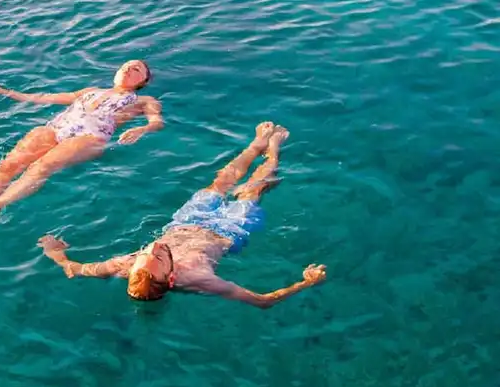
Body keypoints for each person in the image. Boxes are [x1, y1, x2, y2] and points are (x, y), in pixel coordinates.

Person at [38, 122, 327, 307]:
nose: (154, 247)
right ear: (172, 278)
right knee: (252, 190)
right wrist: (309, 281)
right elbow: (263, 301)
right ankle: (273, 150)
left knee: (220, 182)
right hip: (229, 232)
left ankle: (255, 145)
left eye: (146, 253)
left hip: (188, 221)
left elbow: (76, 269)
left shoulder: (125, 265)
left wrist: (55, 252)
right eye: (160, 256)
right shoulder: (201, 279)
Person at [0, 60, 162, 243]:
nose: (128, 69)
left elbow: (156, 121)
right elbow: (44, 98)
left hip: (91, 136)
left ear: (143, 81)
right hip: (57, 128)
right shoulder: (90, 91)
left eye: (136, 69)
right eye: (126, 66)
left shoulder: (143, 99)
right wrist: (1, 90)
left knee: (42, 166)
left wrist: (142, 129)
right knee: (8, 166)